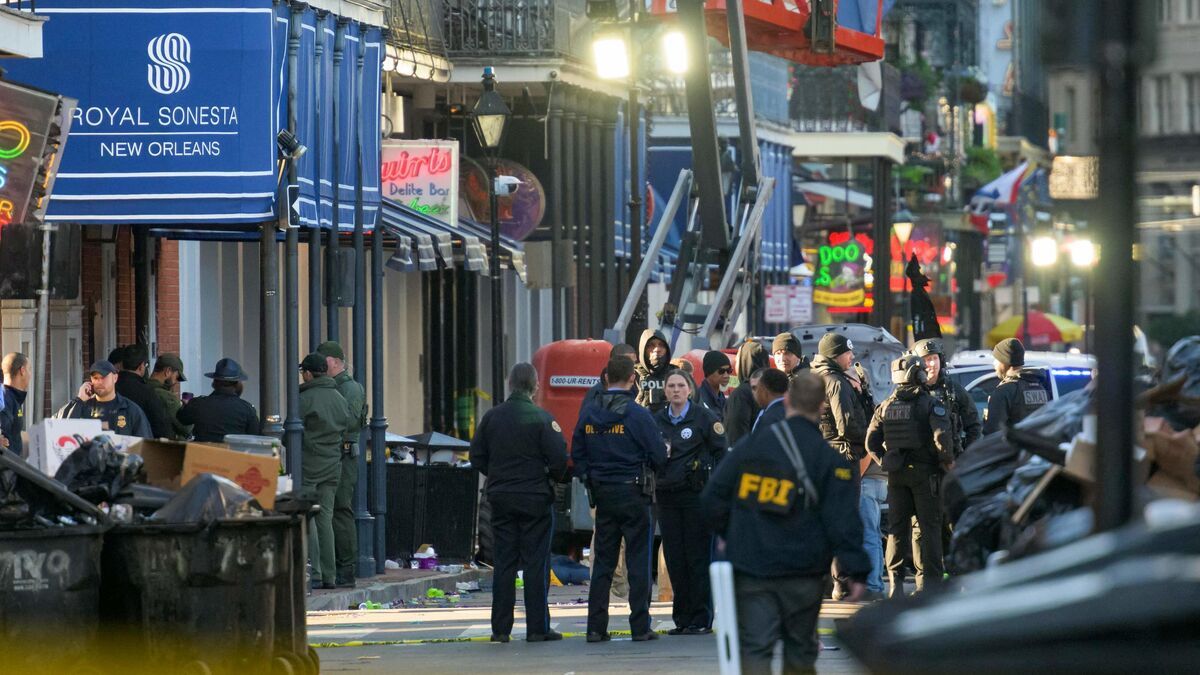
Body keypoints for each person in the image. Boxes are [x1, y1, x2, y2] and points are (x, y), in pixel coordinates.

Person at [701, 373, 869, 674]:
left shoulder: (752, 446)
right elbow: (843, 519)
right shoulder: (828, 460)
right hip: (803, 572)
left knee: (755, 646)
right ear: (821, 407)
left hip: (753, 567)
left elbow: (713, 496)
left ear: (788, 400)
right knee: (800, 649)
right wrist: (856, 570)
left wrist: (730, 534)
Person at [470, 363, 569, 643]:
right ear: (535, 386)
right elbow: (560, 460)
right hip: (536, 498)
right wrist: (547, 478)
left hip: (501, 498)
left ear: (510, 384)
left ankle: (501, 629)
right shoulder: (542, 418)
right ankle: (537, 627)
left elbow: (477, 456)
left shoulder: (491, 418)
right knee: (536, 563)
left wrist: (499, 475)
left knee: (504, 563)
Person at [572, 356, 667, 643]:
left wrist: (592, 478)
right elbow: (659, 456)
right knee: (637, 560)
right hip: (635, 493)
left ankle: (595, 627)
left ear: (605, 379)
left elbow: (577, 455)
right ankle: (640, 626)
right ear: (632, 380)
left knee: (603, 562)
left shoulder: (589, 414)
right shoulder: (638, 415)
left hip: (603, 495)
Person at [865, 356, 956, 596]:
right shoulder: (929, 403)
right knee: (929, 529)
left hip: (896, 477)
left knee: (897, 531)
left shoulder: (886, 405)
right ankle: (931, 587)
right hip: (926, 476)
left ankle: (895, 587)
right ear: (918, 375)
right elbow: (942, 438)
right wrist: (948, 463)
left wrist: (884, 461)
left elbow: (870, 442)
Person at [655, 370, 726, 635]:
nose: (676, 390)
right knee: (675, 559)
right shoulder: (658, 420)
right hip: (667, 496)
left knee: (697, 557)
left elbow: (722, 452)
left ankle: (700, 618)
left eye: (680, 385)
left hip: (696, 497)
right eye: (671, 385)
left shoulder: (704, 417)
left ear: (689, 389)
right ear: (665, 390)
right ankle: (682, 618)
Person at [811, 333, 874, 601]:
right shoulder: (836, 381)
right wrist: (872, 435)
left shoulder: (816, 377)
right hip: (843, 458)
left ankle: (828, 582)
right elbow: (847, 426)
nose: (852, 357)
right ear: (835, 355)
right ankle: (842, 583)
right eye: (847, 353)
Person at [581, 344, 638, 602]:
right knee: (605, 540)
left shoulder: (635, 393)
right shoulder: (596, 397)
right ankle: (611, 586)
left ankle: (616, 587)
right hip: (612, 480)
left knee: (617, 541)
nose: (632, 368)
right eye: (628, 363)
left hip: (609, 479)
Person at [299, 352, 353, 590]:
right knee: (326, 518)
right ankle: (330, 575)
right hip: (333, 464)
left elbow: (293, 432)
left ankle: (316, 573)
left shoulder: (304, 398)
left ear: (309, 373)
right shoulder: (339, 397)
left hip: (309, 463)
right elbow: (348, 427)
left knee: (307, 515)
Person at [317, 341, 367, 589]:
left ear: (335, 362)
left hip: (344, 454)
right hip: (331, 453)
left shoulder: (349, 388)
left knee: (340, 508)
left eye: (324, 360)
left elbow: (348, 422)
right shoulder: (333, 387)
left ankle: (345, 566)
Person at [55, 361, 153, 438]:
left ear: (115, 378)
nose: (99, 382)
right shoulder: (82, 407)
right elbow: (62, 433)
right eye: (95, 378)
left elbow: (145, 446)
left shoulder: (130, 410)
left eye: (104, 377)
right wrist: (79, 400)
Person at [177, 358, 260, 442]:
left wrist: (186, 406)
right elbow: (256, 437)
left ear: (214, 382)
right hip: (232, 454)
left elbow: (181, 419)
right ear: (238, 384)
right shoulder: (247, 409)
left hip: (202, 454)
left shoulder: (198, 404)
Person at [983, 338, 1049, 435]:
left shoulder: (1004, 391)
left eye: (996, 360)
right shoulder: (1040, 387)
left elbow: (993, 433)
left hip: (1012, 448)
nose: (994, 364)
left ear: (1004, 361)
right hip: (1037, 447)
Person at [115, 344, 172, 439]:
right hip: (140, 445)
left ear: (121, 364)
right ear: (141, 366)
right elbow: (162, 427)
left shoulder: (110, 388)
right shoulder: (147, 392)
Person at [725, 340, 769, 446]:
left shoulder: (741, 394)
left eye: (737, 360)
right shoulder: (774, 390)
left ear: (744, 362)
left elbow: (735, 436)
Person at [581, 343, 638, 411]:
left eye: (634, 363)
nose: (633, 368)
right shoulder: (597, 393)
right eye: (627, 364)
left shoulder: (635, 387)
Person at [147, 353, 191, 440]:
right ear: (168, 371)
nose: (176, 382)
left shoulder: (142, 387)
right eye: (177, 377)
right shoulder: (166, 397)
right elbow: (186, 428)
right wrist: (188, 409)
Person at [634, 329, 672, 414]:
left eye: (661, 345)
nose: (657, 349)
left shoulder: (676, 374)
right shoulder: (633, 374)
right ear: (643, 349)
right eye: (651, 345)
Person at [1, 353, 31, 457]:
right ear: (22, 371)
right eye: (29, 369)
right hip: (5, 470)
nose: (30, 374)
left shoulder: (11, 397)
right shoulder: (5, 398)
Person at [751, 368, 789, 433]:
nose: (755, 393)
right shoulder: (796, 412)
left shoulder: (769, 419)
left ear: (764, 389)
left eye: (757, 388)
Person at [696, 351, 731, 420]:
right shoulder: (699, 399)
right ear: (709, 372)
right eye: (721, 371)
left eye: (729, 371)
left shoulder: (722, 398)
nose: (726, 375)